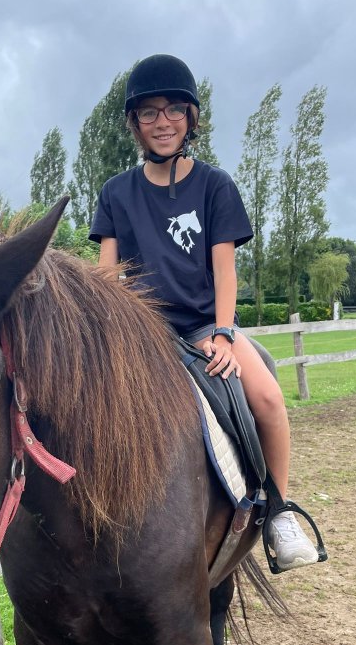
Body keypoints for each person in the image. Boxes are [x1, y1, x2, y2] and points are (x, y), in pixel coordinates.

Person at [88, 53, 318, 570]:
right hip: (142, 332)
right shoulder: (116, 193)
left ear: (191, 118)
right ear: (134, 123)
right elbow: (106, 277)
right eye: (149, 112)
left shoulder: (215, 186)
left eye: (173, 110)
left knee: (268, 397)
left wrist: (224, 333)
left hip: (202, 327)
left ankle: (279, 512)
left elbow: (224, 271)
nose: (162, 121)